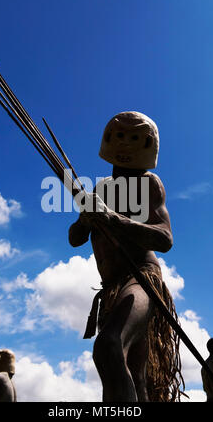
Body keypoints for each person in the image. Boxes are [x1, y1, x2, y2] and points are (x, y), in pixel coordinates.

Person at [69, 111, 183, 402]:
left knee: (109, 345)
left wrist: (114, 219)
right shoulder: (102, 189)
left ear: (147, 145)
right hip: (112, 288)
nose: (125, 144)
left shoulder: (149, 184)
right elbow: (75, 238)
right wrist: (85, 220)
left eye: (134, 138)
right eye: (120, 137)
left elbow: (165, 238)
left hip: (141, 278)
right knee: (135, 374)